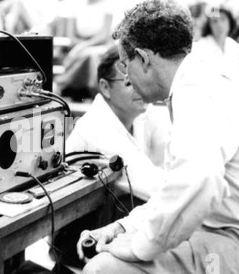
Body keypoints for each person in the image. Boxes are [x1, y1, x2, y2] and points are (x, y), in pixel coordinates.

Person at [78, 0, 239, 274]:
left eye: (126, 66)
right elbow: (177, 189)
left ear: (143, 58)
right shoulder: (202, 78)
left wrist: (134, 247)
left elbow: (197, 184)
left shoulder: (195, 91)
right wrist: (123, 227)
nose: (126, 77)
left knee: (101, 272)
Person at [67, 46, 170, 201]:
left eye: (143, 80)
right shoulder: (95, 129)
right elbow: (152, 186)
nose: (141, 88)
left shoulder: (143, 112)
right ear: (105, 88)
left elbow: (170, 161)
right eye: (129, 83)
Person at [191, 5, 239, 77]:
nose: (219, 25)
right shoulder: (200, 47)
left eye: (223, 19)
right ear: (210, 25)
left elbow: (238, 75)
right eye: (215, 21)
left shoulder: (234, 46)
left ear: (230, 21)